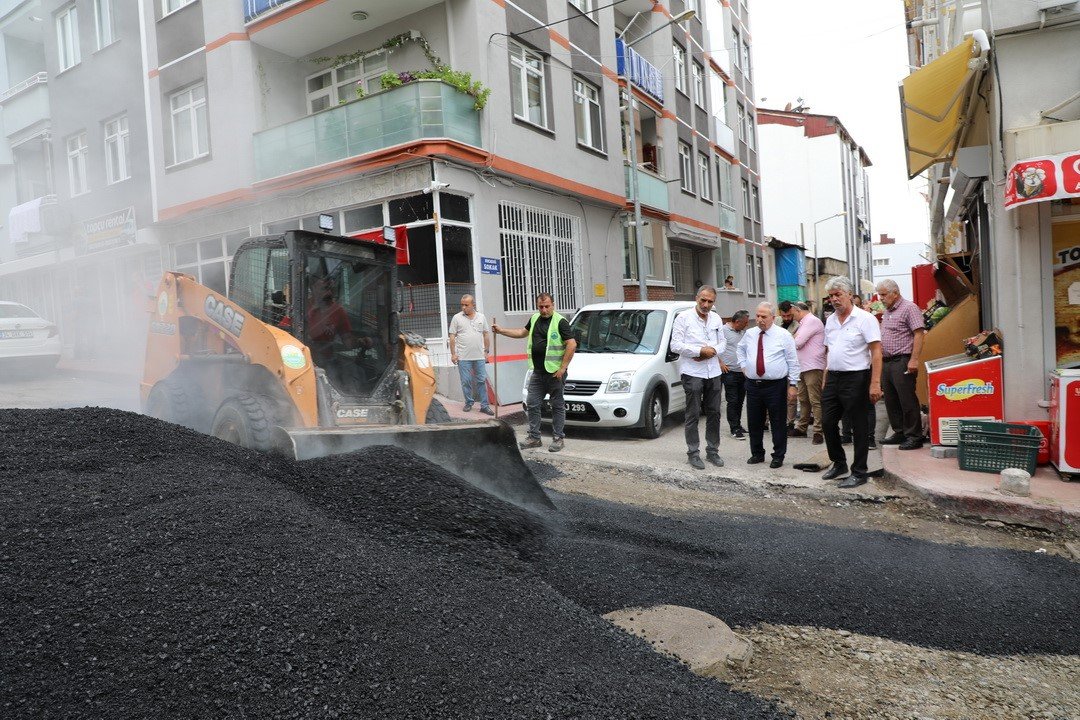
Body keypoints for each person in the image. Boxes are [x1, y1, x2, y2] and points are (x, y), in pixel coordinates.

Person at [492, 293, 576, 452]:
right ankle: (534, 437)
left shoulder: (560, 322)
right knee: (532, 403)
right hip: (537, 372)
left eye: (547, 306)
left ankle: (558, 438)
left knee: (557, 405)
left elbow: (571, 344)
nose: (544, 310)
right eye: (541, 307)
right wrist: (501, 330)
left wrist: (563, 368)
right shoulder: (535, 319)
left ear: (553, 305)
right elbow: (521, 333)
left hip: (554, 373)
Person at [820, 276, 883, 488]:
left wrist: (875, 383)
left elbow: (876, 352)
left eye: (838, 294)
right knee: (827, 422)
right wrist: (825, 377)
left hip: (857, 377)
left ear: (849, 294)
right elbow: (829, 350)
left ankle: (860, 471)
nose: (834, 299)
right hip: (834, 377)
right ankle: (839, 463)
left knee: (859, 426)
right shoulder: (830, 320)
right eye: (831, 296)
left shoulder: (865, 319)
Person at [738, 302, 800, 469]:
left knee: (778, 421)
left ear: (773, 317)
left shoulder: (783, 335)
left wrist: (793, 384)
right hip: (753, 385)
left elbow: (793, 361)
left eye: (763, 317)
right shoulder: (750, 334)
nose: (759, 319)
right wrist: (744, 366)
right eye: (757, 316)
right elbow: (740, 349)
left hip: (775, 386)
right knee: (754, 421)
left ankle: (778, 455)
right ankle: (757, 453)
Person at [670, 285, 726, 470]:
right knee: (693, 414)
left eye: (710, 301)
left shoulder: (716, 318)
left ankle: (712, 451)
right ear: (696, 298)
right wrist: (698, 351)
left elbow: (723, 343)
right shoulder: (683, 318)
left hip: (713, 373)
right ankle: (693, 453)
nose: (706, 304)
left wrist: (712, 352)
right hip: (693, 372)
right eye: (703, 300)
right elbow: (675, 345)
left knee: (714, 413)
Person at [876, 279, 926, 450]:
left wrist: (914, 359)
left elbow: (919, 334)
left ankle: (914, 436)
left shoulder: (909, 308)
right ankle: (899, 432)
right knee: (891, 399)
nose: (880, 298)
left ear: (895, 293)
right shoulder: (888, 311)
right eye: (879, 294)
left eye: (883, 294)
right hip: (887, 361)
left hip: (903, 360)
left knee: (907, 399)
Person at [448, 294, 494, 416]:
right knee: (466, 381)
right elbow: (452, 337)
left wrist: (486, 351)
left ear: (473, 305)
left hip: (479, 356)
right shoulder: (456, 318)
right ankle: (469, 402)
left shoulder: (481, 317)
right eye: (462, 305)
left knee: (481, 381)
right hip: (463, 357)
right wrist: (453, 354)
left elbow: (486, 334)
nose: (463, 307)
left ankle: (484, 406)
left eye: (466, 305)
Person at [790, 301, 826, 445]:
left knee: (815, 400)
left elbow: (797, 342)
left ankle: (818, 431)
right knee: (803, 399)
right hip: (803, 366)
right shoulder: (805, 322)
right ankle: (802, 427)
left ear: (798, 310)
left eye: (792, 312)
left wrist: (789, 340)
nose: (791, 316)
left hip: (813, 366)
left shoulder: (811, 321)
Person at [306, 276, 353, 364]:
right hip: (302, 358)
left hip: (326, 362)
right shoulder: (302, 306)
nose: (328, 292)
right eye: (324, 288)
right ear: (313, 288)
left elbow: (348, 341)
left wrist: (362, 342)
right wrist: (313, 309)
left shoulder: (338, 311)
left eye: (330, 288)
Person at [720, 310, 750, 439]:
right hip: (729, 372)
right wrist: (720, 362)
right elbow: (716, 347)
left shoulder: (743, 332)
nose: (747, 325)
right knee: (732, 400)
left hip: (742, 372)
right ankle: (734, 428)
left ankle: (738, 424)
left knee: (740, 401)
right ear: (737, 322)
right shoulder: (723, 331)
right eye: (745, 323)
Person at [779, 300, 800, 431]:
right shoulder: (774, 322)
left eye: (788, 316)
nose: (786, 318)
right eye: (784, 316)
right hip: (776, 364)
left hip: (791, 363)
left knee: (791, 396)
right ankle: (767, 421)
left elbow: (795, 342)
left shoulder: (798, 325)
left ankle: (790, 422)